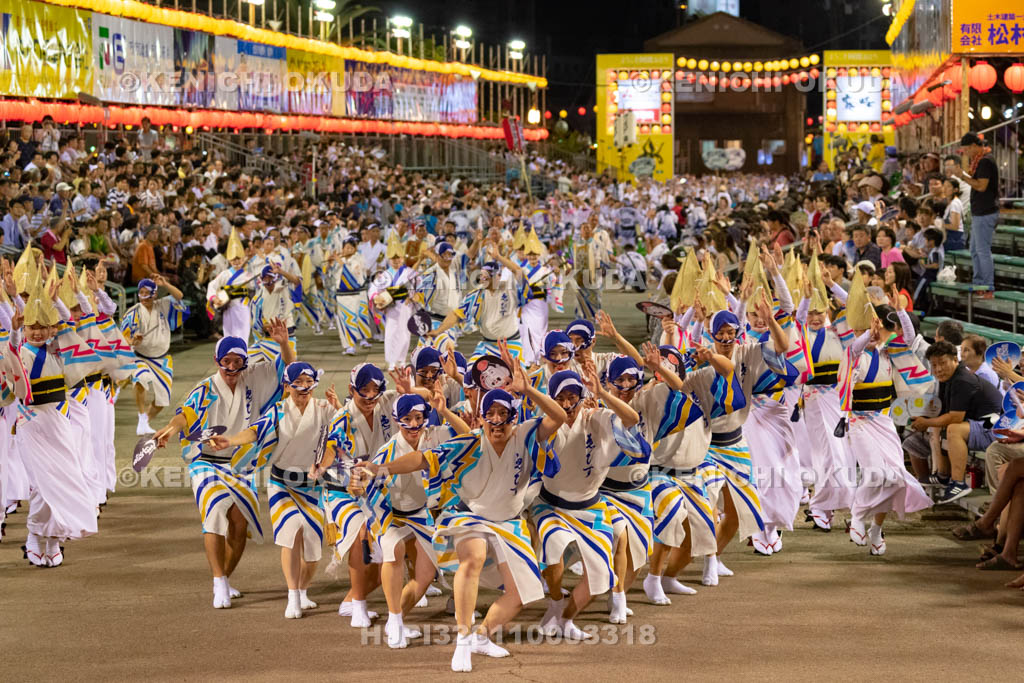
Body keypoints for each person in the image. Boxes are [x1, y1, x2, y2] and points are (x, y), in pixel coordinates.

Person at [351, 341, 566, 673]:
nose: (496, 421)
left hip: (509, 522)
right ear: (481, 417)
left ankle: (482, 636)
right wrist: (381, 467)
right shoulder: (468, 443)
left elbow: (559, 415)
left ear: (513, 416)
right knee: (474, 557)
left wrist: (529, 392)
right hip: (470, 515)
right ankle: (463, 640)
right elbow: (423, 459)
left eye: (503, 414)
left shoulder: (526, 435)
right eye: (490, 414)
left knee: (523, 593)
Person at [152, 331, 294, 609]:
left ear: (245, 362)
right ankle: (218, 581)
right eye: (225, 362)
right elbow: (185, 414)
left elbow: (288, 370)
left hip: (240, 463)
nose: (231, 368)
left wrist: (284, 343)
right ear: (216, 361)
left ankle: (225, 578)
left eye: (237, 362)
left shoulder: (254, 378)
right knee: (214, 513)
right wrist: (169, 430)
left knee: (240, 525)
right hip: (206, 461)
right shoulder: (206, 388)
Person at [210, 362, 342, 619]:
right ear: (287, 385)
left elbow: (339, 437)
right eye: (298, 383)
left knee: (314, 550)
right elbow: (254, 432)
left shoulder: (325, 409)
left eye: (308, 382)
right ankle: (292, 595)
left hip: (312, 486)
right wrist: (231, 439)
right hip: (281, 484)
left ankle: (303, 590)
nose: (304, 388)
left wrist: (339, 407)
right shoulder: (278, 411)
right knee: (291, 530)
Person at [533, 364, 648, 639]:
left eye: (572, 396)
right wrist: (528, 390)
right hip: (551, 505)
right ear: (551, 399)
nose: (567, 403)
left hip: (591, 505)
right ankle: (556, 603)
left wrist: (602, 394)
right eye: (560, 398)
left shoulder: (597, 417)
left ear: (582, 396)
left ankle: (566, 618)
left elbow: (631, 420)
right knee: (553, 547)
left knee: (598, 576)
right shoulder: (546, 423)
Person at [362, 391, 470, 648]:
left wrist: (444, 412)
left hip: (421, 514)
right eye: (407, 418)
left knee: (425, 575)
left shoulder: (436, 435)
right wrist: (359, 482)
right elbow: (368, 483)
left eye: (418, 417)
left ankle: (396, 619)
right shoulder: (386, 451)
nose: (413, 424)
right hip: (389, 513)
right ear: (398, 420)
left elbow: (467, 438)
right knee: (395, 552)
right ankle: (396, 620)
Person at [905, 342, 1001, 504]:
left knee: (954, 429)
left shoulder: (962, 380)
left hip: (994, 426)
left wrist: (927, 422)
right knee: (937, 427)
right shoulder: (947, 379)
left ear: (955, 360)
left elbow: (955, 417)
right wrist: (921, 416)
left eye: (943, 363)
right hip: (977, 423)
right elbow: (943, 411)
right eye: (934, 365)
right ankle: (943, 476)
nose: (938, 369)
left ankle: (959, 483)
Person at [119, 275, 187, 436]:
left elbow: (180, 296)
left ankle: (144, 421)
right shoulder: (133, 312)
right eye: (140, 292)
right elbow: (124, 337)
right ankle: (141, 415)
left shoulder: (163, 304)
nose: (143, 296)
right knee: (141, 378)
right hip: (141, 357)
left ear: (154, 294)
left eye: (146, 292)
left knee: (162, 401)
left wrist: (165, 284)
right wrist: (133, 340)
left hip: (162, 359)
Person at [950, 132, 998, 291]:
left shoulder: (985, 161)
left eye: (966, 150)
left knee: (982, 251)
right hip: (980, 211)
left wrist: (962, 176)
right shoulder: (980, 161)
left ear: (974, 146)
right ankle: (979, 283)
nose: (965, 154)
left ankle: (987, 286)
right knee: (975, 250)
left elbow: (981, 186)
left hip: (985, 212)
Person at [205, 228, 253, 341]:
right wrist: (213, 298)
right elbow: (212, 285)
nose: (236, 262)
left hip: (243, 307)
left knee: (243, 336)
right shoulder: (224, 274)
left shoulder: (249, 275)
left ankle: (241, 356)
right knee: (229, 335)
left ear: (243, 259)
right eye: (233, 260)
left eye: (239, 259)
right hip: (228, 307)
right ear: (229, 260)